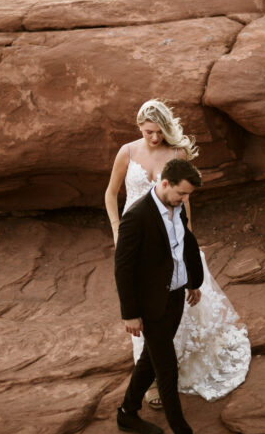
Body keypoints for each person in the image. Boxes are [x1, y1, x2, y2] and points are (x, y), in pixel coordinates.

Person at [105, 99, 250, 405]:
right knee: (144, 306)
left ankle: (175, 364)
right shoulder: (127, 152)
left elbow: (184, 203)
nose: (154, 138)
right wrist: (117, 230)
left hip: (170, 238)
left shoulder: (177, 154)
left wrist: (188, 245)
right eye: (148, 132)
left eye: (159, 132)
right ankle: (154, 378)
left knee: (173, 305)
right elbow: (110, 194)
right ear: (139, 127)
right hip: (137, 242)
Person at [114, 158, 218, 434]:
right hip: (150, 306)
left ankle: (127, 413)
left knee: (151, 358)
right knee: (167, 371)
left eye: (187, 196)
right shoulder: (137, 217)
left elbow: (185, 243)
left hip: (174, 297)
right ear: (164, 183)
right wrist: (130, 314)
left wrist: (193, 281)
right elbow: (123, 268)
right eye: (181, 194)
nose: (184, 201)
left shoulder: (177, 207)